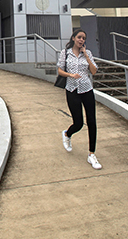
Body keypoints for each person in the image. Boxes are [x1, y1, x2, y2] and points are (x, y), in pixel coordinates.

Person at [57, 29, 101, 169]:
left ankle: (91, 154)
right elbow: (59, 70)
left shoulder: (88, 54)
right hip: (72, 90)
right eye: (79, 37)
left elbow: (93, 71)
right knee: (79, 123)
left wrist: (86, 56)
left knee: (92, 121)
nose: (81, 40)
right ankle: (67, 134)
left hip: (87, 89)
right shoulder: (66, 53)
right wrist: (70, 75)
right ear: (74, 38)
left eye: (84, 38)